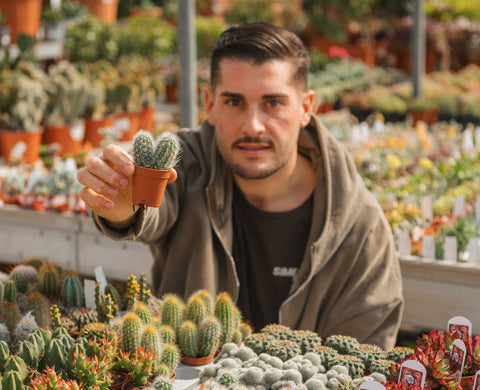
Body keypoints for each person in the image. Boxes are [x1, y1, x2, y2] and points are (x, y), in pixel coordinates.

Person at [77, 21, 404, 350]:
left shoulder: (360, 228)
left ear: (306, 108)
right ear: (210, 104)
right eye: (234, 102)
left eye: (273, 103)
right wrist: (121, 205)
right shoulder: (188, 164)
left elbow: (363, 360)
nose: (253, 126)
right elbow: (153, 202)